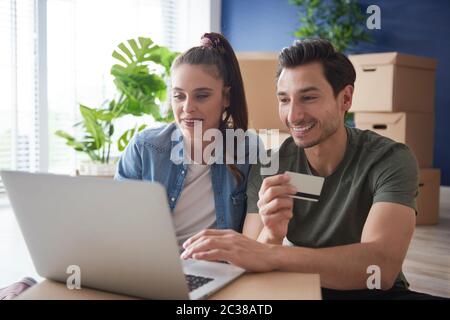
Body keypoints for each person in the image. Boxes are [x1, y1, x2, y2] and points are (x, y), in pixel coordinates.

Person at [181, 38, 446, 299]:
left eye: (308, 98)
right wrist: (272, 235)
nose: (293, 116)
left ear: (345, 98)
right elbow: (253, 257)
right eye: (284, 100)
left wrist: (272, 254)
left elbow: (380, 268)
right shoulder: (269, 165)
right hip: (304, 290)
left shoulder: (390, 159)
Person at [115, 32, 251, 248]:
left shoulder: (247, 151)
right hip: (151, 264)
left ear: (226, 97)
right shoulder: (145, 148)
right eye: (179, 96)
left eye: (202, 95)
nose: (187, 108)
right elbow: (117, 222)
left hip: (216, 268)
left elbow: (252, 239)